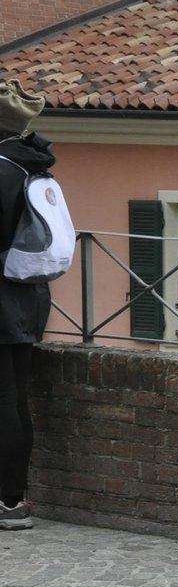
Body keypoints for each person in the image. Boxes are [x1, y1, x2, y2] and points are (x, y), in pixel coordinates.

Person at [0, 78, 50, 531]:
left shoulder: (0, 170)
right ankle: (14, 499)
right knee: (16, 401)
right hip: (29, 298)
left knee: (4, 401)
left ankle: (9, 502)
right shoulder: (32, 165)